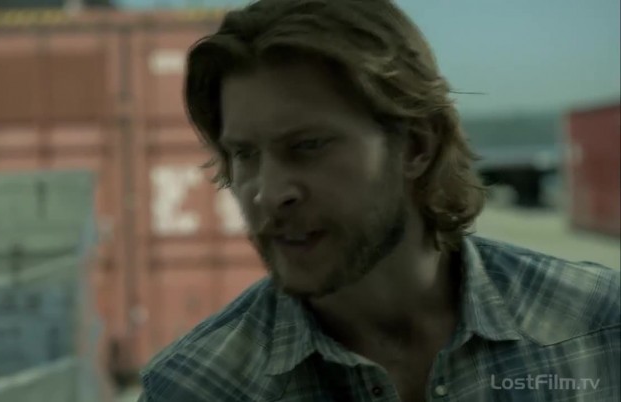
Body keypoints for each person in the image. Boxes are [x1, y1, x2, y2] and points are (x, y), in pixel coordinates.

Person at [138, 0, 620, 401]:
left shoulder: (597, 327)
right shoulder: (198, 388)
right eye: (244, 154)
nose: (268, 192)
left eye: (308, 146)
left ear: (416, 146)